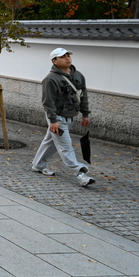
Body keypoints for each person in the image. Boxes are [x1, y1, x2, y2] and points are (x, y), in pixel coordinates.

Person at [31, 47, 94, 187]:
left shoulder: (78, 76)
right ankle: (81, 173)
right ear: (54, 61)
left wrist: (85, 114)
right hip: (57, 118)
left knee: (50, 142)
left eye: (68, 55)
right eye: (62, 56)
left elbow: (83, 96)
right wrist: (52, 121)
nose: (67, 58)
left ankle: (38, 165)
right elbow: (48, 102)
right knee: (66, 146)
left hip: (69, 116)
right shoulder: (50, 79)